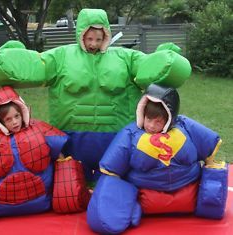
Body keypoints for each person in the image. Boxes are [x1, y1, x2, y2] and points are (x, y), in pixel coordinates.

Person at [0, 8, 191, 184]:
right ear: (81, 35)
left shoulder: (125, 59)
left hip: (117, 137)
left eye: (99, 39)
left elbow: (149, 68)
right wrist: (13, 58)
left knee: (114, 184)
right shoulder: (61, 57)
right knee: (69, 190)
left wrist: (165, 59)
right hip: (70, 138)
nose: (93, 43)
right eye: (89, 38)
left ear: (106, 37)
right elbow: (36, 67)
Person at [87, 84, 228, 234]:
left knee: (214, 175)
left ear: (169, 117)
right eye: (149, 119)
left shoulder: (185, 126)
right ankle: (129, 208)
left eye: (158, 121)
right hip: (146, 196)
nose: (151, 126)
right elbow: (111, 168)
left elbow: (209, 146)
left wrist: (211, 167)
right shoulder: (130, 133)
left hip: (187, 193)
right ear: (142, 113)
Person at [0, 86, 90, 225]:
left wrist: (70, 187)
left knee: (65, 165)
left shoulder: (39, 129)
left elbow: (62, 156)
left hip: (44, 201)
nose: (15, 122)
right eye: (8, 119)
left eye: (17, 116)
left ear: (23, 111)